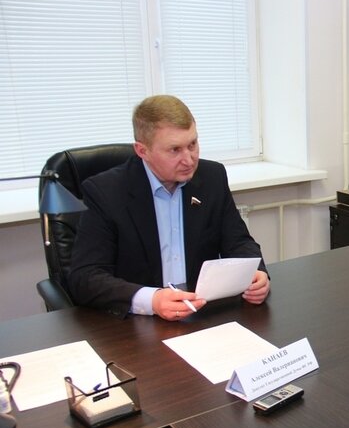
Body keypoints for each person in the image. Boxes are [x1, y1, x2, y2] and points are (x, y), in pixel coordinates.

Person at [68, 94, 270, 320]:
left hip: (200, 313)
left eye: (192, 144)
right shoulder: (106, 192)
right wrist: (152, 300)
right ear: (142, 151)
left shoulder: (211, 177)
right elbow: (85, 277)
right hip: (138, 325)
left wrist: (257, 274)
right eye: (175, 150)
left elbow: (239, 242)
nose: (189, 159)